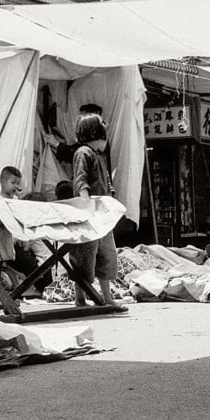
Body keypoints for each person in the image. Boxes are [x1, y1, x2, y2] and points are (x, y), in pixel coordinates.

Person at [70, 111, 125, 310]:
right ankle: (80, 298)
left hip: (102, 213)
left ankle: (107, 297)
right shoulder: (83, 153)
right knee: (85, 256)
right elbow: (81, 181)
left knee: (107, 255)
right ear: (96, 135)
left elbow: (106, 183)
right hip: (89, 211)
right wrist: (86, 206)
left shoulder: (99, 155)